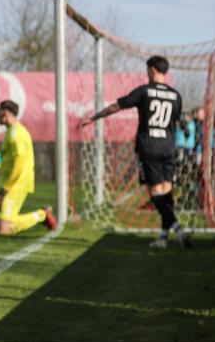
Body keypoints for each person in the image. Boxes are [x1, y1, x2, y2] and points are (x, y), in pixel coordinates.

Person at [79, 55, 191, 249]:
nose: (147, 74)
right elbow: (178, 122)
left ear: (153, 70)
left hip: (149, 147)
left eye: (148, 70)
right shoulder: (176, 95)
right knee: (166, 193)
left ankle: (178, 230)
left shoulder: (144, 91)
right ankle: (164, 238)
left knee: (155, 193)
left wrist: (94, 118)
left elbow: (117, 106)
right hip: (168, 148)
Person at [0, 101, 56, 235]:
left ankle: (42, 215)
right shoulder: (11, 131)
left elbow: (19, 163)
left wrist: (5, 189)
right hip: (8, 182)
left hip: (17, 183)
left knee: (4, 229)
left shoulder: (16, 134)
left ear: (5, 113)